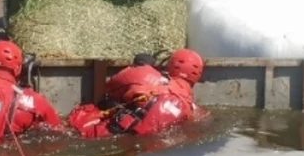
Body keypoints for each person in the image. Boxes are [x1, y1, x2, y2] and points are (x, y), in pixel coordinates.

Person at [68, 48, 207, 139]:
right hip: (147, 146)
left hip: (104, 135)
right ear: (197, 76)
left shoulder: (146, 74)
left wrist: (139, 66)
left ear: (170, 65)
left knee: (80, 117)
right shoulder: (195, 111)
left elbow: (110, 86)